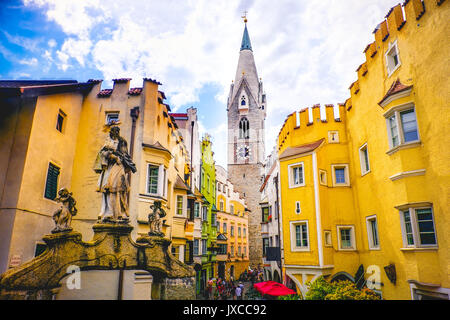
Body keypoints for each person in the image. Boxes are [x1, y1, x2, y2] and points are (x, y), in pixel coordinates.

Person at [94, 126, 136, 222]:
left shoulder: (122, 142)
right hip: (108, 168)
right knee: (107, 189)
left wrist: (118, 158)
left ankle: (119, 212)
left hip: (118, 167)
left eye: (117, 131)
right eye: (113, 131)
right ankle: (108, 212)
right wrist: (109, 155)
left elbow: (125, 155)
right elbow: (102, 153)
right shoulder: (107, 142)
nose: (115, 133)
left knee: (119, 189)